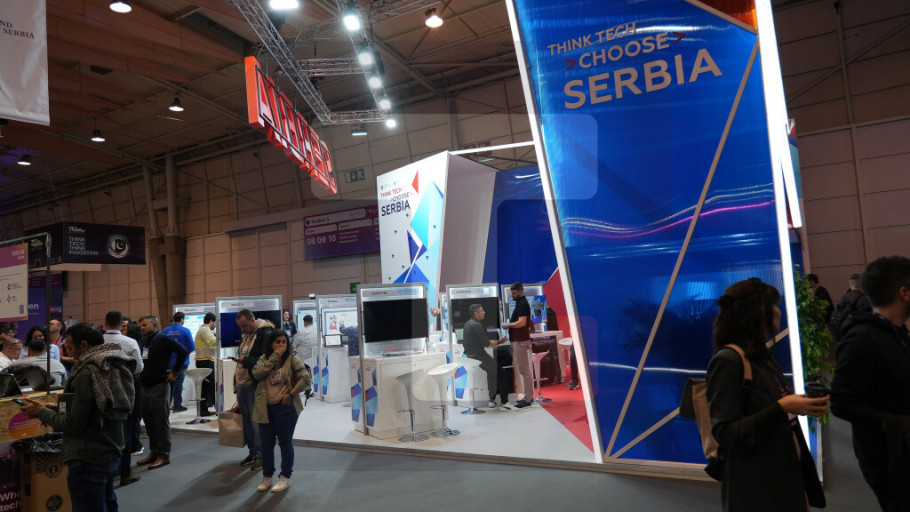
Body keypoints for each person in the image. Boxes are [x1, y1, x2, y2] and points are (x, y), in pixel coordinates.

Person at [706, 278, 827, 511]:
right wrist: (783, 407)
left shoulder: (759, 356)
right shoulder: (728, 360)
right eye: (774, 304)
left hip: (783, 477)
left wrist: (799, 404)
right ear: (761, 311)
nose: (778, 311)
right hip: (757, 488)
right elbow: (726, 432)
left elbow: (770, 407)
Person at [20, 323, 136, 512]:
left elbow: (74, 424)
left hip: (88, 456)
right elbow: (97, 407)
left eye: (70, 348)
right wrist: (56, 408)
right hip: (111, 448)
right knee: (108, 503)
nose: (69, 353)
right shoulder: (113, 362)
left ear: (84, 345)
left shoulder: (88, 372)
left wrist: (42, 412)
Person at [831, 256, 910, 510]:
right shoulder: (862, 340)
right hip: (890, 461)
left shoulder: (896, 332)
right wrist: (894, 424)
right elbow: (841, 402)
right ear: (904, 293)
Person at [251, 330, 309, 493]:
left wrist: (291, 394)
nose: (281, 345)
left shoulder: (292, 359)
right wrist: (274, 357)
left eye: (284, 342)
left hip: (286, 407)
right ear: (271, 343)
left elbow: (305, 378)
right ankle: (267, 476)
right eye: (277, 341)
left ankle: (285, 477)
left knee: (285, 442)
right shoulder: (264, 359)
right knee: (266, 444)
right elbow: (257, 374)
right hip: (265, 408)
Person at [136, 315, 188, 470]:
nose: (142, 328)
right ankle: (154, 451)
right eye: (140, 325)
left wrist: (175, 372)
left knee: (160, 422)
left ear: (154, 324)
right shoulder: (144, 341)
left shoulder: (163, 339)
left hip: (159, 385)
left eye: (144, 325)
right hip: (145, 385)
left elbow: (183, 351)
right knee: (149, 422)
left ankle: (164, 455)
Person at [101, 310, 143, 487]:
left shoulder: (98, 340)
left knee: (104, 429)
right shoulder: (130, 342)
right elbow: (138, 367)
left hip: (101, 388)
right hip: (125, 390)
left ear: (105, 323)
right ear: (122, 324)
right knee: (126, 430)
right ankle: (125, 472)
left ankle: (107, 470)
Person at [233, 309, 275, 471]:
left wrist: (245, 361)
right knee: (247, 423)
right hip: (242, 384)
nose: (242, 329)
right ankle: (253, 453)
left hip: (254, 384)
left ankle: (261, 456)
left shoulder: (265, 333)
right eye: (240, 327)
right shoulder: (247, 335)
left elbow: (265, 360)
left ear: (252, 320)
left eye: (244, 326)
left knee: (257, 423)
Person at [460, 304, 508, 409]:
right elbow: (488, 344)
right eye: (482, 311)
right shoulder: (477, 325)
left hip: (470, 356)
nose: (484, 312)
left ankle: (491, 399)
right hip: (479, 356)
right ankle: (504, 402)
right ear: (476, 313)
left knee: (491, 372)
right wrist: (499, 342)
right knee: (502, 373)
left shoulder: (467, 323)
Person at [503, 282, 534, 409]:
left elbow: (522, 323)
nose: (512, 295)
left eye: (514, 293)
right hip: (519, 340)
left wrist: (508, 325)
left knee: (524, 370)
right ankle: (528, 396)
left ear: (521, 291)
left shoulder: (522, 304)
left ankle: (527, 398)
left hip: (520, 341)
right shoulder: (521, 303)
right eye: (512, 293)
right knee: (524, 369)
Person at [160, 312, 195, 413]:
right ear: (182, 319)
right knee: (179, 383)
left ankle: (167, 405)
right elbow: (192, 346)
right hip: (182, 361)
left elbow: (161, 345)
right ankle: (177, 405)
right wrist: (185, 353)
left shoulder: (165, 330)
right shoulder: (185, 330)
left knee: (169, 384)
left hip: (169, 361)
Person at [194, 312, 217, 415]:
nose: (215, 325)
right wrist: (218, 335)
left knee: (206, 387)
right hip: (205, 361)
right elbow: (212, 342)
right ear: (211, 321)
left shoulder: (202, 330)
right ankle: (216, 409)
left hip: (203, 361)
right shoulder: (205, 330)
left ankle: (204, 409)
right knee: (210, 386)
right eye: (215, 323)